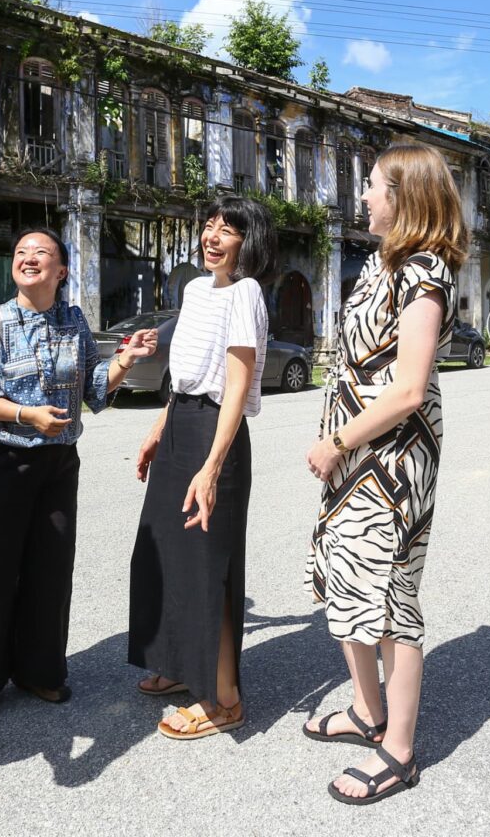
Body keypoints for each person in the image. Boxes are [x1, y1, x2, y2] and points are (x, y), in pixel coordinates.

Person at [301, 143, 466, 805]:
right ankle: (369, 712)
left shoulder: (424, 271)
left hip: (393, 459)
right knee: (346, 579)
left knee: (391, 599)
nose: (363, 196)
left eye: (372, 186)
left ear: (405, 195)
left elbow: (407, 388)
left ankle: (398, 749)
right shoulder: (379, 265)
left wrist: (338, 437)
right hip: (353, 454)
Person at [0, 226, 159, 717]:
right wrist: (27, 415)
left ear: (61, 270)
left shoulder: (73, 321)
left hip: (59, 465)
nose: (28, 258)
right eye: (20, 251)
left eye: (40, 252)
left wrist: (124, 361)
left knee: (50, 570)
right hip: (4, 461)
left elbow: (92, 391)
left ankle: (39, 670)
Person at [128, 195, 276, 740]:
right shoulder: (194, 290)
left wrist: (212, 465)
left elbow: (236, 384)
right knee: (165, 551)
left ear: (248, 241)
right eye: (209, 226)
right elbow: (185, 376)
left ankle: (225, 699)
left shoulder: (246, 293)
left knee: (207, 563)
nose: (213, 236)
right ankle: (181, 668)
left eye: (228, 230)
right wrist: (157, 431)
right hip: (182, 425)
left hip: (217, 434)